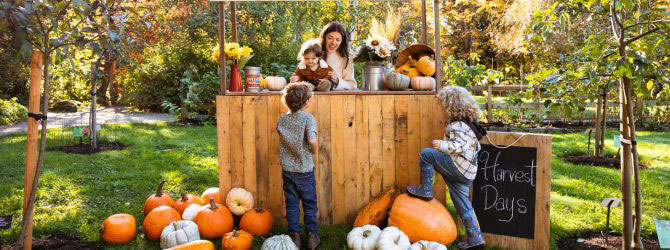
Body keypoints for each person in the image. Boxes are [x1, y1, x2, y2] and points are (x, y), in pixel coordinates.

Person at [406, 86, 487, 249]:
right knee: (463, 204)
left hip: (458, 167)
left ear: (452, 106)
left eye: (443, 105)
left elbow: (460, 146)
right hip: (467, 172)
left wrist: (443, 145)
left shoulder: (457, 125)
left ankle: (425, 189)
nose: (442, 109)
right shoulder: (469, 125)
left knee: (427, 154)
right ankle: (476, 238)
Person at [276, 82, 320, 250]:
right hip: (305, 170)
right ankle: (311, 237)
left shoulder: (282, 119)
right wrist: (313, 150)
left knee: (292, 204)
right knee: (309, 204)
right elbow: (312, 140)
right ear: (306, 102)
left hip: (288, 170)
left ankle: (294, 237)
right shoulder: (308, 118)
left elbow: (283, 135)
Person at [319, 22, 356, 90]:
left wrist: (337, 80)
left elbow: (352, 85)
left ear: (342, 41)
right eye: (330, 38)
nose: (333, 42)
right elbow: (301, 72)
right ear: (324, 38)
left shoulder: (346, 58)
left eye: (338, 40)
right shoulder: (313, 51)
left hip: (336, 97)